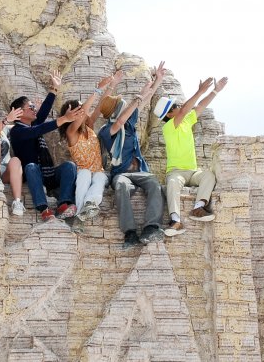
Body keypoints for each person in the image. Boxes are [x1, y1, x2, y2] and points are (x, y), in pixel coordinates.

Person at [97, 61, 167, 249]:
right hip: (121, 173)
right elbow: (119, 121)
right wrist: (136, 101)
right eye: (121, 104)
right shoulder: (106, 131)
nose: (125, 105)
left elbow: (145, 99)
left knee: (154, 184)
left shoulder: (129, 124)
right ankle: (129, 233)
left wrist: (156, 80)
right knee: (120, 186)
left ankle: (151, 228)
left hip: (140, 171)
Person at [154, 76, 228, 236]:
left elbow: (201, 105)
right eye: (175, 106)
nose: (179, 106)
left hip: (193, 172)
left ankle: (198, 207)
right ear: (169, 114)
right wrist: (200, 91)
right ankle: (175, 220)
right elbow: (184, 110)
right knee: (172, 183)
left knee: (209, 175)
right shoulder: (168, 127)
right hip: (176, 172)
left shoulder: (186, 121)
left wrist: (215, 91)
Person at [8, 76, 81, 222]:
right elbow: (39, 129)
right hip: (35, 175)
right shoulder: (17, 131)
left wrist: (54, 89)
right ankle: (44, 208)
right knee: (31, 167)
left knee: (69, 166)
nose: (35, 109)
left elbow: (43, 113)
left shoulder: (31, 125)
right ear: (20, 113)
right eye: (31, 107)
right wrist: (64, 119)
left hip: (49, 173)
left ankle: (63, 204)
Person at [58, 69, 122, 226]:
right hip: (82, 174)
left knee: (100, 177)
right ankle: (80, 213)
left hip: (98, 172)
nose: (84, 110)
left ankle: (89, 205)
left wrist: (111, 86)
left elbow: (100, 106)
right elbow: (86, 110)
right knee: (86, 174)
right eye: (80, 108)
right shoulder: (71, 132)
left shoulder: (90, 125)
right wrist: (97, 89)